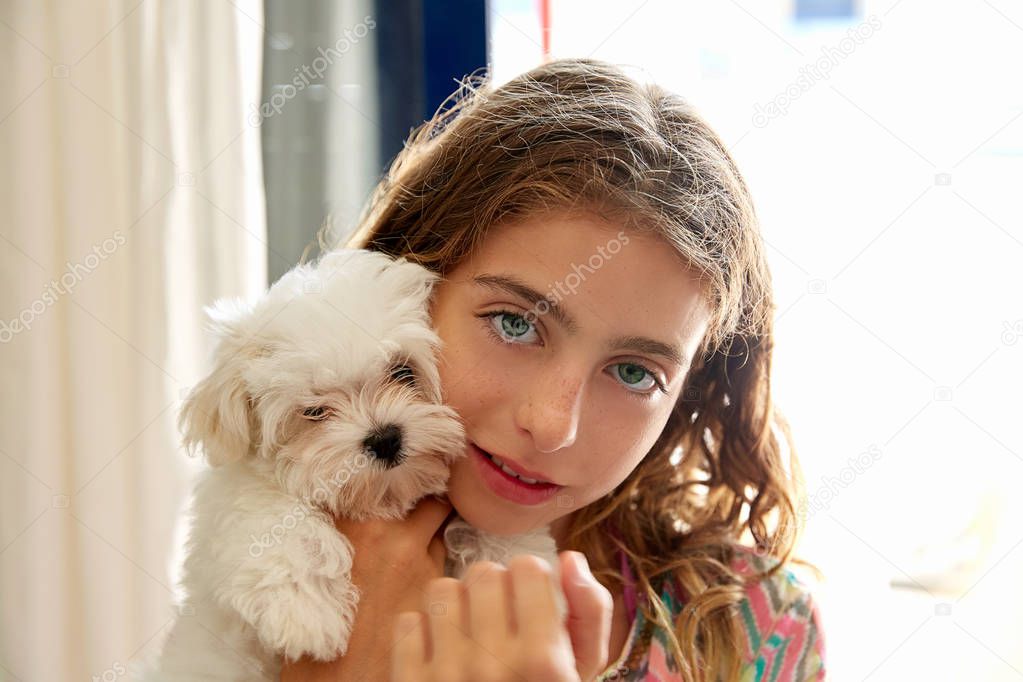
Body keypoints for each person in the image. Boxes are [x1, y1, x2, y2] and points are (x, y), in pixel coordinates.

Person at [281, 57, 827, 681]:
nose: (551, 425)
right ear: (412, 282)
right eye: (516, 324)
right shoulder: (284, 562)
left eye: (634, 373)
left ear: (685, 395)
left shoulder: (759, 628)